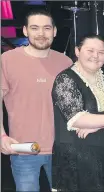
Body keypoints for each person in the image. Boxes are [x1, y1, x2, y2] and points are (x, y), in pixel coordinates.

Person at [0, 10, 73, 191]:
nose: (41, 33)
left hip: (62, 148)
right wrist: (1, 135)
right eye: (35, 28)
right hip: (23, 149)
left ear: (55, 31)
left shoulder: (65, 62)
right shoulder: (7, 60)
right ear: (25, 30)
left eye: (46, 28)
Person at [51, 34, 104, 191]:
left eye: (101, 52)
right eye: (90, 50)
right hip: (78, 160)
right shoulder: (64, 79)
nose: (96, 56)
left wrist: (96, 124)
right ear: (77, 51)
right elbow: (76, 118)